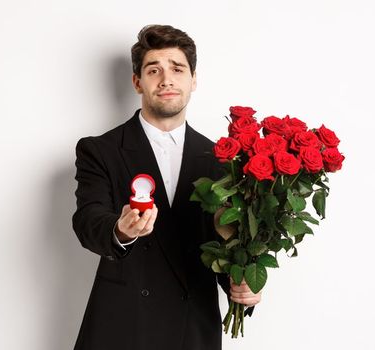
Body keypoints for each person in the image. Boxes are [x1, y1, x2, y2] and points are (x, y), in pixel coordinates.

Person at [71, 25, 261, 350]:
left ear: (193, 80)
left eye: (177, 69)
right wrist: (121, 229)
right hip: (123, 324)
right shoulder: (100, 150)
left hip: (193, 325)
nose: (166, 79)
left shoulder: (221, 161)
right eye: (153, 69)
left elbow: (225, 245)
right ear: (137, 82)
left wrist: (242, 283)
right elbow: (87, 219)